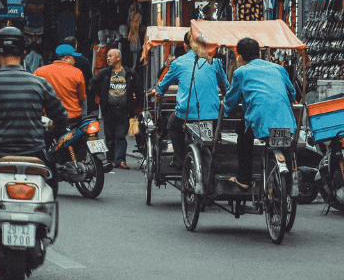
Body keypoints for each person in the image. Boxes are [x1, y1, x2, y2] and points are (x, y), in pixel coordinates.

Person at [0, 28, 67, 230]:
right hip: (35, 152)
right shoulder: (40, 83)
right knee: (53, 177)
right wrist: (54, 126)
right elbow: (61, 118)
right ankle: (45, 227)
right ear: (24, 54)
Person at [222, 37, 296, 189]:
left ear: (240, 56)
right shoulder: (279, 69)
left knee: (242, 133)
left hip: (260, 121)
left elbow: (231, 101)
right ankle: (288, 185)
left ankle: (244, 178)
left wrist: (227, 112)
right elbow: (292, 94)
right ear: (259, 54)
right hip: (286, 121)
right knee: (285, 147)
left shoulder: (241, 72)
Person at [156, 32, 228, 168]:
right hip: (211, 113)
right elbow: (225, 85)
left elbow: (162, 86)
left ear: (185, 45)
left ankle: (179, 160)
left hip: (186, 114)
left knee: (172, 125)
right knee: (214, 134)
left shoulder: (178, 63)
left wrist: (158, 90)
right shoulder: (215, 62)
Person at [90, 48, 142, 169]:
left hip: (124, 109)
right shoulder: (105, 73)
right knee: (109, 135)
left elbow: (138, 89)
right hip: (109, 109)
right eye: (107, 56)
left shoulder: (130, 73)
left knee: (121, 135)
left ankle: (120, 160)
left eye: (110, 56)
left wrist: (139, 106)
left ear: (118, 58)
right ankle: (111, 160)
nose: (108, 58)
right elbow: (92, 84)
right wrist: (102, 95)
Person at [35, 44, 87, 123]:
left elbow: (33, 92)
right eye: (73, 57)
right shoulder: (77, 72)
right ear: (66, 58)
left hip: (50, 119)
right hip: (73, 117)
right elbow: (82, 98)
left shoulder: (40, 71)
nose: (75, 61)